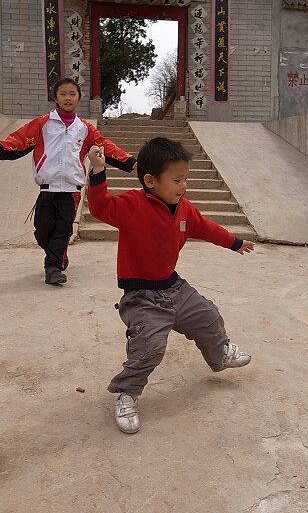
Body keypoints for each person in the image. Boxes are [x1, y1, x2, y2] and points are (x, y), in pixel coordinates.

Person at [87, 136, 255, 434]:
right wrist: (98, 171)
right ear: (151, 181)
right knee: (150, 348)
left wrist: (235, 243)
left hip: (174, 288)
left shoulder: (184, 209)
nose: (183, 186)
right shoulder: (132, 205)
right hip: (142, 298)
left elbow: (205, 227)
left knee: (209, 316)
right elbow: (101, 207)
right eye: (177, 180)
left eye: (185, 179)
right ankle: (127, 393)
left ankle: (219, 355)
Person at [0, 77, 136, 285]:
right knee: (43, 231)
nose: (68, 98)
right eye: (63, 94)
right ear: (56, 98)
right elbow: (19, 139)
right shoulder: (43, 123)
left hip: (71, 190)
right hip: (47, 189)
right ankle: (58, 253)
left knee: (63, 229)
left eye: (72, 94)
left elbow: (106, 146)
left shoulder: (85, 128)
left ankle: (53, 268)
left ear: (79, 98)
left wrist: (131, 163)